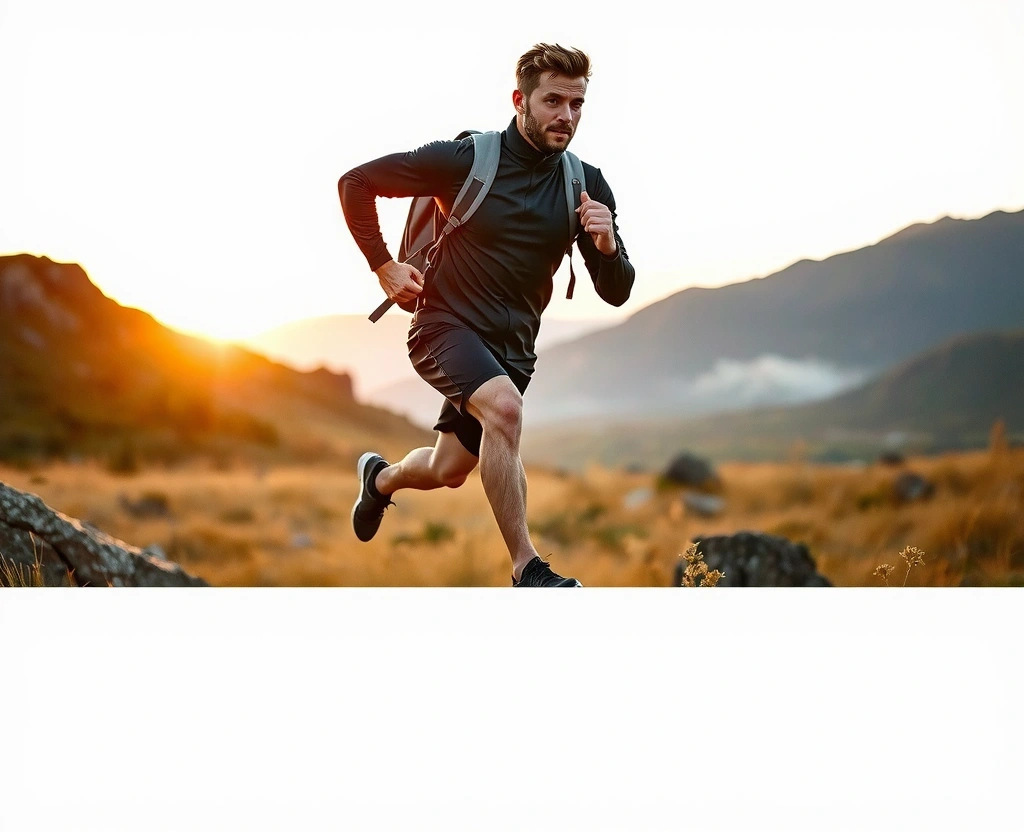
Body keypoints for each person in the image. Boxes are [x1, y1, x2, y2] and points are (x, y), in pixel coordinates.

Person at [338, 43, 635, 587]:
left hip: (512, 350)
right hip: (442, 326)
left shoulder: (585, 185)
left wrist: (607, 245)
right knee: (505, 409)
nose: (565, 116)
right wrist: (383, 265)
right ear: (520, 99)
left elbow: (617, 293)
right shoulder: (467, 160)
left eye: (576, 104)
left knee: (447, 471)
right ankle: (528, 569)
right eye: (552, 101)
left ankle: (379, 480)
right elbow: (355, 183)